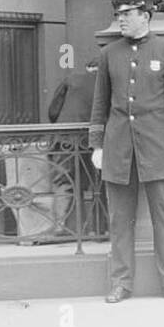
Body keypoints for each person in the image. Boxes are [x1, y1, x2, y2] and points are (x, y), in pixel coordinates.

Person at [90, 0, 164, 302]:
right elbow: (100, 103)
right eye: (118, 14)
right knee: (120, 221)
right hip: (119, 149)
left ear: (145, 15)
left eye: (127, 14)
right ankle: (121, 283)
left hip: (157, 148)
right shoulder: (110, 54)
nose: (120, 20)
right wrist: (97, 144)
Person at [46, 56, 105, 237]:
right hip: (97, 141)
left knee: (66, 182)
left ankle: (64, 227)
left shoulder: (72, 79)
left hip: (67, 140)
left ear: (88, 68)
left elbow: (53, 111)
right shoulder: (108, 83)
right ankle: (99, 229)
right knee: (99, 185)